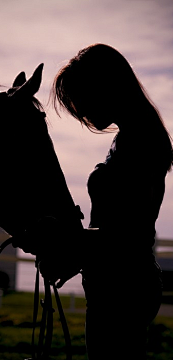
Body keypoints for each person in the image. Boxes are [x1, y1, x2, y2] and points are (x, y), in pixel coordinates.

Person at [50, 43, 173, 359]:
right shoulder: (133, 137)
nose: (79, 109)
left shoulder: (141, 141)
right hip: (118, 281)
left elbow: (126, 234)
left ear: (105, 88)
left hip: (123, 287)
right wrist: (77, 254)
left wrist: (68, 241)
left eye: (81, 97)